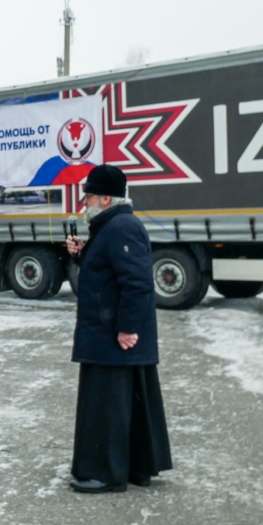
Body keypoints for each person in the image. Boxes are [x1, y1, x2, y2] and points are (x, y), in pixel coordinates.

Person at [64, 164, 172, 494]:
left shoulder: (122, 227)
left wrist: (127, 328)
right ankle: (136, 468)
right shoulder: (110, 227)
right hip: (107, 332)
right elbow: (108, 272)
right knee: (129, 402)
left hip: (112, 335)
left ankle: (105, 473)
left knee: (107, 405)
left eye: (90, 197)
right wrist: (83, 255)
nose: (86, 203)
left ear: (106, 198)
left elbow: (137, 284)